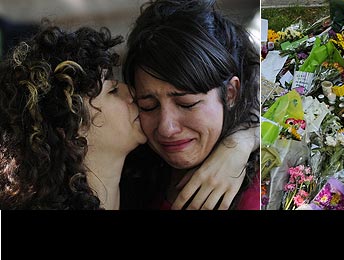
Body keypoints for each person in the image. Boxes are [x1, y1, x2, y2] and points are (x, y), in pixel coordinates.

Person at [0, 23, 256, 209]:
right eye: (112, 90)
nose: (131, 93)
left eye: (187, 103)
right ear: (67, 125)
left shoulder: (142, 177)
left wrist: (243, 142)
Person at [121, 0, 260, 210]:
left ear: (230, 93)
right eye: (148, 105)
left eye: (187, 104)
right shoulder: (133, 174)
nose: (166, 128)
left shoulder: (259, 192)